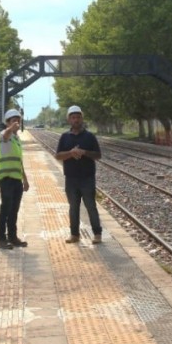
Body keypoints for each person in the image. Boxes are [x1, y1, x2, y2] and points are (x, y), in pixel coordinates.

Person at [54, 105, 103, 244]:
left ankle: (97, 233)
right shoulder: (64, 137)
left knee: (90, 206)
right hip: (71, 179)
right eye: (73, 117)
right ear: (69, 119)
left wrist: (84, 152)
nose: (76, 120)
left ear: (82, 118)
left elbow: (98, 155)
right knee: (73, 207)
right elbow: (58, 155)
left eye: (78, 117)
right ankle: (74, 234)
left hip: (87, 178)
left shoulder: (90, 136)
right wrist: (71, 153)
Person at [0, 109, 30, 250]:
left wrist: (25, 179)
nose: (16, 123)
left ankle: (13, 237)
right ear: (7, 123)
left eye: (18, 120)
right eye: (13, 120)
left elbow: (19, 161)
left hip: (16, 179)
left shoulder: (16, 139)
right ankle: (1, 239)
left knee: (14, 209)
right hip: (6, 178)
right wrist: (11, 128)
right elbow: (6, 134)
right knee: (5, 208)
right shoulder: (4, 135)